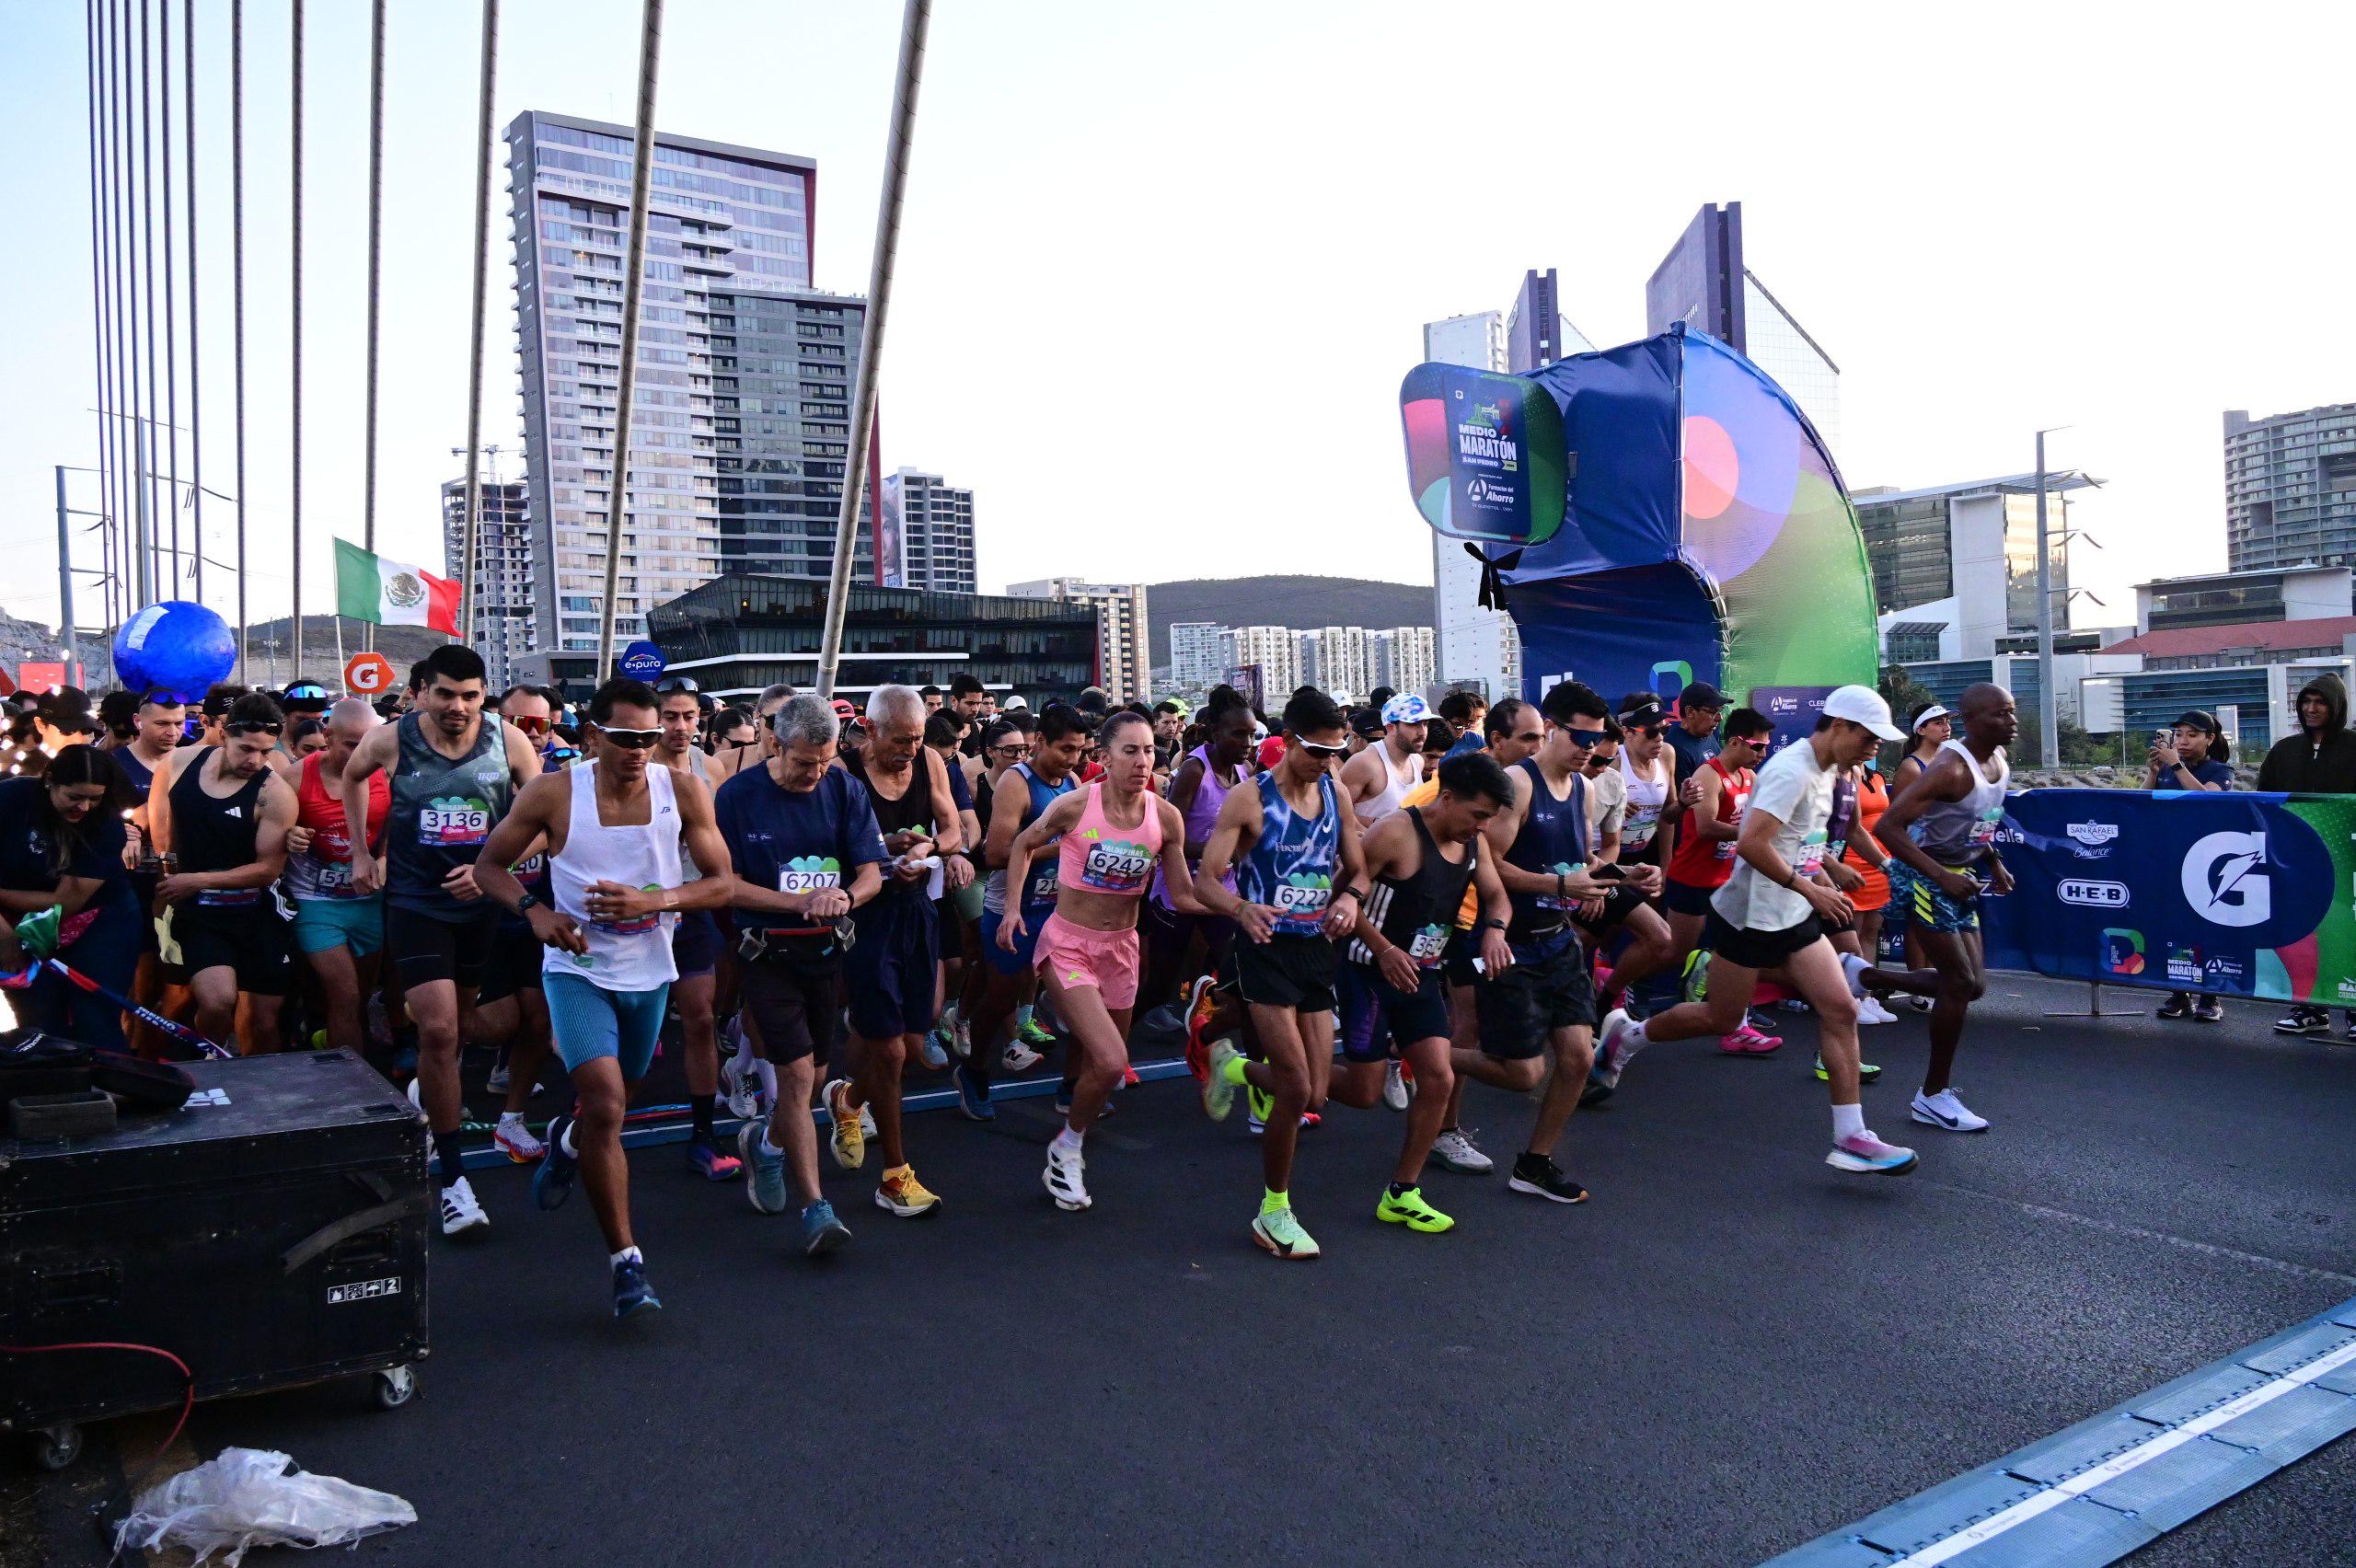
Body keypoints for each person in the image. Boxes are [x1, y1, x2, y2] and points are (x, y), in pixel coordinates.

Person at [478, 678, 735, 1319]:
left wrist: (656, 901)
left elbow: (723, 882)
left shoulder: (684, 790)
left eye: (650, 737)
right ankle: (627, 1265)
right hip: (577, 971)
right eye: (625, 738)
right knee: (608, 1100)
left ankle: (567, 1142)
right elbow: (489, 867)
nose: (641, 749)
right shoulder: (555, 793)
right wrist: (535, 911)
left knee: (614, 1105)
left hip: (650, 971)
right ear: (592, 735)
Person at [1597, 686, 1920, 1176]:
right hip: (1751, 916)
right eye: (1870, 737)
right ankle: (1628, 1036)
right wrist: (1809, 888)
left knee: (1840, 1009)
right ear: (1840, 727)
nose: (1876, 748)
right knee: (1720, 1019)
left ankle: (1852, 1137)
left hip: (1793, 913)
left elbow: (1799, 840)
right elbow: (1751, 842)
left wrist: (1825, 872)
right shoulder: (1790, 771)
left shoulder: (1830, 769)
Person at [344, 643, 543, 1237]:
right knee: (438, 1030)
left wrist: (491, 871)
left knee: (455, 1036)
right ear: (421, 692)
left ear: (484, 695)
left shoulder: (510, 742)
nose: (457, 707)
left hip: (482, 908)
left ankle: (429, 1092)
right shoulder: (391, 739)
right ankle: (455, 1182)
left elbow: (544, 821)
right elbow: (353, 777)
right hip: (414, 903)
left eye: (470, 696)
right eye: (445, 694)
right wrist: (362, 849)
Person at [998, 710, 1207, 1212]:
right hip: (1067, 943)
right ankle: (1067, 1149)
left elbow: (1182, 893)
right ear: (1105, 758)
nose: (1142, 762)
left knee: (1105, 1065)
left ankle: (1070, 1134)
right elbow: (1023, 844)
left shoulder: (1165, 817)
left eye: (1150, 751)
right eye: (1130, 751)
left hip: (1122, 949)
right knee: (1114, 1060)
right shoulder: (1075, 805)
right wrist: (1010, 911)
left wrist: (1241, 909)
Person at [1192, 686, 1365, 1258]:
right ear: (1287, 742)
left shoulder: (1335, 792)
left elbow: (1359, 872)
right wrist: (1242, 908)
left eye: (1335, 751)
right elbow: (1205, 879)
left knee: (1315, 1092)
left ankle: (1230, 1064)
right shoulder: (1250, 800)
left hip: (1315, 949)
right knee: (1294, 1086)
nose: (1326, 762)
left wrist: (1348, 902)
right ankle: (1274, 1210)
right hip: (1263, 949)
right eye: (1317, 750)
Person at [716, 695, 881, 1256]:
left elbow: (870, 874)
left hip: (826, 955)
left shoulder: (843, 787)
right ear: (773, 742)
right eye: (804, 762)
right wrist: (800, 904)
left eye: (825, 761)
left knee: (811, 1080)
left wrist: (844, 898)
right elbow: (725, 884)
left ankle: (764, 1145)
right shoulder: (736, 797)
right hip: (765, 956)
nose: (816, 773)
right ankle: (816, 1207)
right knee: (793, 1079)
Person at [1327, 750, 1515, 1235]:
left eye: (1489, 819)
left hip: (1420, 977)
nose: (1482, 826)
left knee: (1438, 1077)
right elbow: (1343, 895)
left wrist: (1495, 929)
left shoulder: (1473, 842)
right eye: (1477, 815)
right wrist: (1383, 948)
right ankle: (1245, 1069)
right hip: (1368, 975)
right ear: (1447, 798)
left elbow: (1496, 895)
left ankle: (1402, 1193)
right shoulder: (1395, 831)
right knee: (1361, 1092)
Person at [1456, 682, 1618, 1203]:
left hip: (1557, 940)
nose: (1589, 749)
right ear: (1552, 729)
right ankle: (1423, 1051)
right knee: (1524, 1074)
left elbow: (1579, 863)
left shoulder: (1587, 790)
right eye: (1580, 737)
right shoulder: (1517, 785)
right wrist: (1560, 886)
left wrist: (1618, 876)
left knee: (1577, 1059)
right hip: (1509, 942)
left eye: (1596, 740)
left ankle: (1534, 1163)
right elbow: (1487, 865)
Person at [829, 685, 972, 1217]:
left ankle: (850, 1099)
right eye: (900, 740)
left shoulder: (929, 760)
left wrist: (930, 847)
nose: (910, 749)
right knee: (888, 1049)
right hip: (865, 918)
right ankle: (895, 1174)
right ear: (869, 730)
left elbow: (955, 826)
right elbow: (827, 844)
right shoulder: (843, 774)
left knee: (914, 1033)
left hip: (916, 910)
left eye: (916, 738)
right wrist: (878, 849)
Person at [1850, 682, 2016, 1135]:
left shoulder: (1998, 760)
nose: (2012, 721)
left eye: (2012, 711)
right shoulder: (1949, 767)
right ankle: (1933, 1095)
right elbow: (1889, 825)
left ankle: (1868, 976)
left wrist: (1994, 863)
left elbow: (1982, 822)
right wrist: (1941, 875)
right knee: (1960, 982)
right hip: (1927, 876)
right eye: (2000, 714)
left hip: (1958, 878)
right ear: (1972, 720)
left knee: (1972, 986)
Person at [148, 694, 299, 1055]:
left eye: (265, 751)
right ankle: (210, 1063)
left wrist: (197, 879)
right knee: (216, 1003)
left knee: (263, 1023)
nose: (255, 761)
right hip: (200, 913)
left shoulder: (273, 792)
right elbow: (162, 835)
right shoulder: (178, 763)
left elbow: (267, 870)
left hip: (256, 912)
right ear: (223, 733)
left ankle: (258, 1093)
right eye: (246, 748)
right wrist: (168, 886)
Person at [953, 710, 1079, 1119]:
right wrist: (1054, 849)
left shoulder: (1073, 783)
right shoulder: (1016, 782)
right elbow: (994, 854)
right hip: (1012, 908)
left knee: (1079, 995)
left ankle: (1073, 1086)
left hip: (1056, 907)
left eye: (1080, 750)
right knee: (1001, 998)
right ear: (1040, 740)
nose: (1073, 759)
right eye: (1065, 749)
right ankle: (972, 1070)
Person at [468, 684, 561, 1161]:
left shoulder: (561, 782)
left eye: (541, 724)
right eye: (521, 724)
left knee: (539, 1021)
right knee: (493, 1025)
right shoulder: (473, 777)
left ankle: (511, 1120)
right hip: (478, 917)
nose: (533, 734)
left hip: (533, 918)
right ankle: (429, 1046)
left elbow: (556, 834)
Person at [0, 745, 140, 1048]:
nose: (84, 807)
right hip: (15, 919)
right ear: (49, 780)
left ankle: (112, 1088)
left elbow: (66, 903)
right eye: (75, 797)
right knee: (38, 1020)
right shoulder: (10, 799)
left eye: (95, 798)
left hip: (99, 918)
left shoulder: (107, 824)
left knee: (95, 1019)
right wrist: (4, 933)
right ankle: (49, 1089)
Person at [1659, 708, 1781, 1053]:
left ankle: (1736, 1023)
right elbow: (1707, 826)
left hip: (1725, 880)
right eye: (1757, 747)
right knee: (1673, 951)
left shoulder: (1749, 778)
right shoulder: (1707, 775)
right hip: (1693, 878)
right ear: (1735, 741)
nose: (1762, 755)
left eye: (1765, 748)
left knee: (1733, 952)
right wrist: (1752, 835)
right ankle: (1618, 979)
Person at [653, 678, 737, 1180]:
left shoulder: (711, 767)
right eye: (670, 716)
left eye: (689, 716)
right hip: (634, 912)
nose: (680, 726)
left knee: (701, 1019)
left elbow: (722, 839)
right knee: (629, 1031)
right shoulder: (631, 765)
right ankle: (589, 1118)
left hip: (691, 903)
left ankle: (704, 1135)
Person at [281, 699, 390, 1062]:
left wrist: (385, 859)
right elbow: (264, 830)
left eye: (369, 742)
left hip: (369, 900)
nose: (363, 752)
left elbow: (396, 825)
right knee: (343, 995)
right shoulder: (296, 776)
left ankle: (350, 1066)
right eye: (351, 744)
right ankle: (352, 1087)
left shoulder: (386, 773)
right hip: (316, 902)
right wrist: (288, 834)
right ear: (327, 736)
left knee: (360, 997)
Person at [1140, 689, 1253, 1011]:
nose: (1247, 742)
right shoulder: (1194, 771)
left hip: (1220, 892)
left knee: (1241, 976)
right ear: (1215, 733)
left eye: (1251, 734)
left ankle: (1206, 1027)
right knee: (1159, 989)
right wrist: (1217, 850)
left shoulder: (1245, 772)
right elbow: (1167, 836)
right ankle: (1111, 1046)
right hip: (1179, 892)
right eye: (1239, 734)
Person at [2256, 675, 2356, 1038]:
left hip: (2348, 861)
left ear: (2336, 706)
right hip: (2296, 861)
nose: (2311, 709)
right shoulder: (2284, 750)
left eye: (2321, 702)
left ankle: (2354, 1009)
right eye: (2306, 701)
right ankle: (2310, 1007)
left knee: (2347, 932)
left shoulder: (2353, 747)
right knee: (2305, 931)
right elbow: (2264, 803)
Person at [110, 689, 187, 1051]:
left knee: (173, 983)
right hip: (131, 888)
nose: (172, 731)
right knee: (138, 983)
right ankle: (132, 1051)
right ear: (138, 722)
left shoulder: (194, 761)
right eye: (161, 723)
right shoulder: (113, 765)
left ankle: (156, 1052)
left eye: (178, 723)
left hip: (180, 886)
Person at [2148, 710, 2235, 1023]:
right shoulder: (2169, 769)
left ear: (2210, 739)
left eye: (2192, 735)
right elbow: (2140, 804)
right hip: (2169, 856)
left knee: (2206, 927)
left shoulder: (2221, 769)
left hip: (2206, 860)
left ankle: (2210, 996)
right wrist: (2154, 772)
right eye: (2179, 734)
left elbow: (2206, 800)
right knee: (2171, 926)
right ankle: (2178, 993)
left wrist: (2175, 764)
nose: (2183, 741)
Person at [1343, 694, 1429, 828]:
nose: (1422, 732)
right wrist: (1377, 826)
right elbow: (1336, 813)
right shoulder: (1365, 763)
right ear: (1390, 727)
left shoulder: (1418, 761)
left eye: (1425, 724)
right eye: (1413, 724)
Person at [1662, 682, 1725, 783]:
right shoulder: (1676, 749)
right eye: (1713, 712)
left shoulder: (1708, 735)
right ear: (1690, 712)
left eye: (1720, 711)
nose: (1719, 718)